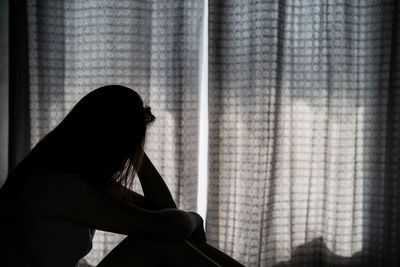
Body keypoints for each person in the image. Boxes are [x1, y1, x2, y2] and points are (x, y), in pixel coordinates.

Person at [0, 85, 245, 267]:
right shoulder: (55, 185)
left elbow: (163, 211)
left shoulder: (73, 179)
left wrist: (136, 151)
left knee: (164, 238)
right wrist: (194, 217)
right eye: (122, 150)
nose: (120, 166)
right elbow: (171, 226)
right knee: (156, 240)